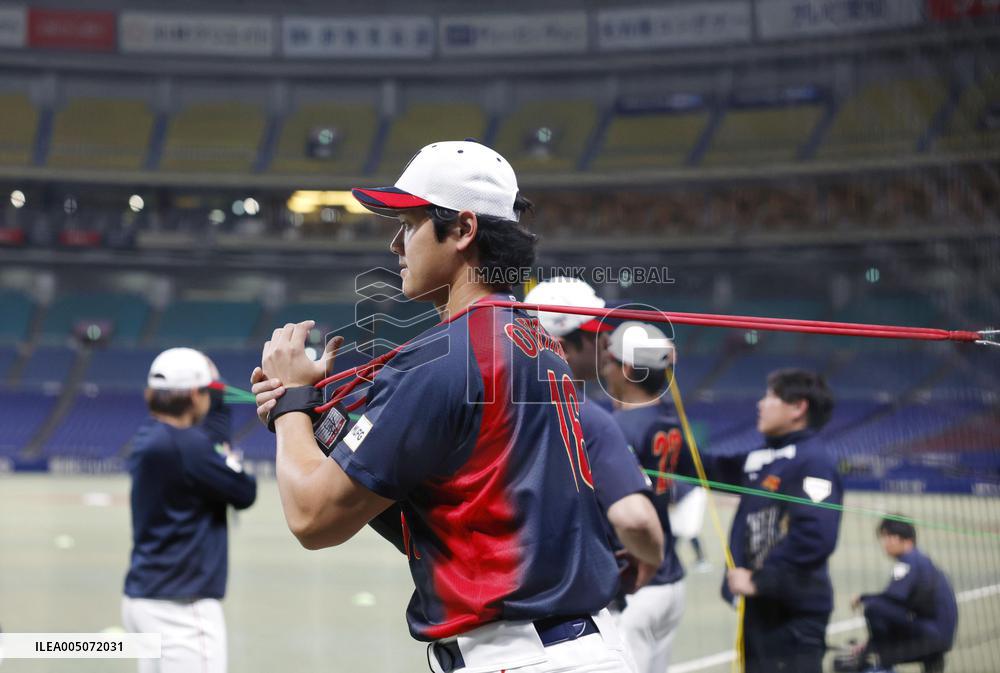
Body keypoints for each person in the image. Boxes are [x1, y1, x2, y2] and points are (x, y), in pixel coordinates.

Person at [251, 140, 633, 673]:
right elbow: (445, 511)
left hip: (519, 655)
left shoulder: (443, 358)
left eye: (408, 225)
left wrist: (292, 404)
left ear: (463, 230)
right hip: (565, 645)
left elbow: (314, 519)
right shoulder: (533, 338)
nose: (394, 244)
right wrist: (311, 421)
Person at [678, 368, 840, 673]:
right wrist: (664, 426)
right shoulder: (765, 456)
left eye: (770, 396)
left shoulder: (812, 461)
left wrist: (759, 580)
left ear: (797, 407)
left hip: (791, 612)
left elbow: (816, 536)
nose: (760, 404)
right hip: (762, 605)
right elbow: (707, 470)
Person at [123, 347, 258, 673]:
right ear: (196, 397)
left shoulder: (152, 438)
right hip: (181, 607)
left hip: (145, 598)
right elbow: (244, 492)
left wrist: (211, 388)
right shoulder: (188, 447)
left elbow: (206, 437)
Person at [525, 278, 666, 582]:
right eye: (596, 333)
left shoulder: (499, 406)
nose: (608, 340)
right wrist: (652, 557)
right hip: (570, 599)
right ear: (560, 347)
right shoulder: (588, 419)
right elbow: (635, 520)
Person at [601, 321, 686, 673]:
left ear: (626, 369)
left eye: (608, 360)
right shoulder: (667, 415)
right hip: (670, 579)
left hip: (637, 580)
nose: (602, 367)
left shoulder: (620, 429)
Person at [840, 518, 957, 673]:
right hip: (940, 636)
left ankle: (879, 662)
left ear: (906, 539)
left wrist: (862, 599)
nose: (885, 543)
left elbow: (892, 600)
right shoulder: (923, 560)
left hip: (930, 636)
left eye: (889, 537)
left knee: (874, 609)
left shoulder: (909, 561)